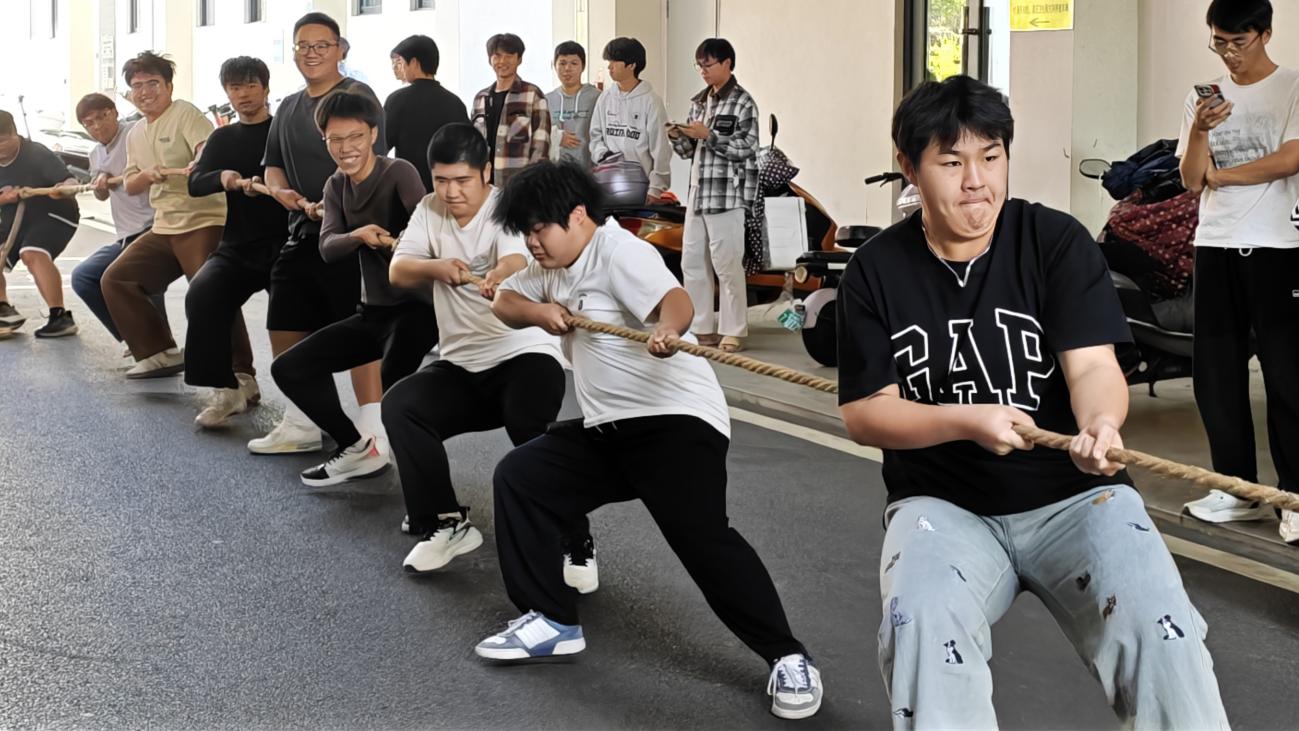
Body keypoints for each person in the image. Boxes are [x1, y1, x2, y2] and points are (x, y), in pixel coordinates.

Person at [836, 75, 1227, 728]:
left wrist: (1100, 423)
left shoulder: (1054, 241)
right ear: (908, 166)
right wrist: (967, 420)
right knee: (921, 624)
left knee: (1161, 629)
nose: (976, 182)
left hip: (1077, 497)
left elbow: (1093, 366)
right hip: (942, 504)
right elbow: (865, 412)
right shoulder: (874, 271)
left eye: (991, 157)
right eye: (951, 162)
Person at [479, 160, 822, 722]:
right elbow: (503, 302)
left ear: (578, 215)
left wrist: (668, 327)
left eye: (539, 229)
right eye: (526, 232)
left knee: (703, 541)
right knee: (522, 477)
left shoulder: (619, 252)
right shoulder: (552, 267)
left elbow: (676, 299)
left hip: (675, 423)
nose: (533, 243)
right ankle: (553, 621)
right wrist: (539, 312)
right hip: (610, 430)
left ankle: (789, 656)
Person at [383, 126, 595, 585]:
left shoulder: (505, 207)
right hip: (462, 365)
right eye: (441, 180)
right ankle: (446, 522)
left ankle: (575, 542)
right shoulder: (429, 210)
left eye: (462, 180)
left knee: (530, 427)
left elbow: (516, 258)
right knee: (401, 406)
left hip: (524, 353)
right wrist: (437, 267)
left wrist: (498, 273)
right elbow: (398, 270)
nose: (451, 192)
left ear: (485, 173)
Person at [1176, 0, 1299, 544]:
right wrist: (1200, 131)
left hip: (1279, 246)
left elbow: (1291, 159)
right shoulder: (1201, 98)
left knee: (1287, 376)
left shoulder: (1292, 87)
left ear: (1265, 34)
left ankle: (1294, 496)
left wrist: (1225, 178)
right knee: (1217, 374)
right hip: (1216, 244)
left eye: (1237, 42)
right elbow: (1190, 178)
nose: (1227, 53)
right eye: (1218, 42)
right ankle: (1238, 489)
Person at [271, 89, 435, 487]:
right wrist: (359, 235)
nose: (346, 148)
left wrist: (403, 241)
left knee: (394, 396)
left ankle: (434, 502)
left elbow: (429, 230)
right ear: (325, 140)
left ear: (373, 134)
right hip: (372, 313)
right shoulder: (335, 187)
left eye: (356, 137)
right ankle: (357, 447)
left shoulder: (399, 172)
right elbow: (327, 247)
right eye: (336, 139)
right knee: (288, 369)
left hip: (417, 309)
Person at [252, 11, 388, 455]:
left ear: (340, 50)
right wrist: (281, 192)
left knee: (357, 334)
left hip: (354, 236)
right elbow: (273, 165)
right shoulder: (288, 106)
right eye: (303, 46)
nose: (311, 54)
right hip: (302, 232)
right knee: (285, 322)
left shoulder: (357, 96)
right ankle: (303, 421)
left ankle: (373, 429)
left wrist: (334, 203)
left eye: (321, 45)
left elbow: (369, 160)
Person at [101, 51, 235, 379]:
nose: (145, 92)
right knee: (117, 279)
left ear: (169, 86)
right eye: (137, 86)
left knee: (210, 294)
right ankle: (159, 352)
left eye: (153, 83)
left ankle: (240, 373)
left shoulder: (184, 113)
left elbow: (207, 148)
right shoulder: (135, 132)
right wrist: (148, 175)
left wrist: (199, 161)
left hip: (203, 219)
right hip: (164, 225)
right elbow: (131, 184)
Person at [183, 57, 288, 428]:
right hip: (239, 245)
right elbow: (195, 183)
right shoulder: (223, 137)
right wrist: (222, 177)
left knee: (289, 317)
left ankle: (303, 406)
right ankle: (228, 390)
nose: (243, 94)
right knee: (203, 294)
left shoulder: (283, 131)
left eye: (250, 85)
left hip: (287, 245)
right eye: (235, 87)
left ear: (266, 88)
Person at [668, 38, 758, 354]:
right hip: (697, 192)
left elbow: (747, 148)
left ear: (727, 64)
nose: (703, 71)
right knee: (692, 261)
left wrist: (710, 135)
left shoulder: (743, 102)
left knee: (727, 264)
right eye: (699, 65)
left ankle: (733, 330)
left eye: (708, 64)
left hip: (727, 194)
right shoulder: (699, 102)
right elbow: (688, 152)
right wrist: (677, 136)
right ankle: (701, 327)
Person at [69, 93, 161, 346]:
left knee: (139, 282)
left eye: (102, 117)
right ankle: (138, 341)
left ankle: (156, 345)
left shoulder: (134, 132)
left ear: (115, 113)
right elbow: (100, 195)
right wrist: (100, 181)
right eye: (89, 123)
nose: (97, 126)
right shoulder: (95, 153)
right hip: (126, 235)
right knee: (84, 277)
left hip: (156, 225)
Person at [0, 111, 81, 338]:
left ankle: (59, 316)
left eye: (3, 141)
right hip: (13, 218)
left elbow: (69, 180)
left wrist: (65, 188)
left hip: (53, 213)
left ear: (15, 134)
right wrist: (4, 198)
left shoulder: (36, 153)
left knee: (32, 252)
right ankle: (4, 310)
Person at [589, 37, 671, 202]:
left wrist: (656, 189)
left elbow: (661, 148)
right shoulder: (605, 98)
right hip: (607, 182)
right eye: (609, 62)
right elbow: (595, 136)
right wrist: (603, 155)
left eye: (614, 62)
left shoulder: (651, 101)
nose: (609, 67)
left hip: (641, 186)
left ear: (632, 65)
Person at [384, 34, 469, 192]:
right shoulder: (455, 103)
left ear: (414, 63)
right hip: (447, 188)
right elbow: (466, 149)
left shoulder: (397, 100)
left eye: (402, 63)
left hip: (408, 188)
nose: (400, 68)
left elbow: (383, 145)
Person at [471, 33, 550, 186]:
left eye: (509, 56)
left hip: (519, 183)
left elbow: (541, 143)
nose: (502, 61)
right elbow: (473, 142)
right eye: (497, 56)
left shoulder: (532, 94)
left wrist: (533, 181)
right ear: (490, 60)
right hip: (484, 183)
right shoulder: (480, 98)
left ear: (519, 59)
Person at [546, 41, 598, 169]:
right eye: (562, 63)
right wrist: (556, 137)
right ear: (554, 65)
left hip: (590, 171)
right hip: (556, 171)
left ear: (583, 66)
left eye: (574, 63)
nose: (567, 68)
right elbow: (536, 133)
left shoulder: (597, 97)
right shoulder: (546, 100)